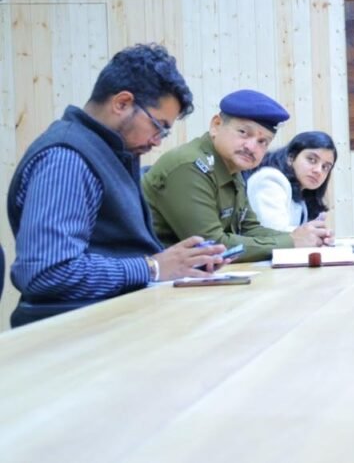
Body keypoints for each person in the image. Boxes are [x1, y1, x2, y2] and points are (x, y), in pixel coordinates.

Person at [7, 44, 226, 313]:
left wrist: (184, 262)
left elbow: (118, 250)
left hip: (116, 316)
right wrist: (153, 267)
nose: (157, 141)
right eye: (158, 127)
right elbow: (48, 271)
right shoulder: (66, 158)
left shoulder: (110, 153)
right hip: (77, 329)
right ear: (122, 103)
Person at [143, 90, 332, 261]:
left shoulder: (232, 170)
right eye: (243, 132)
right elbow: (211, 246)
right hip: (151, 278)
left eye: (262, 141)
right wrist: (291, 242)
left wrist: (304, 237)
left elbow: (249, 229)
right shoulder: (190, 166)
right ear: (216, 125)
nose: (251, 147)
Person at [247, 131, 337, 231]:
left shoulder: (303, 193)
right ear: (291, 158)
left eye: (325, 167)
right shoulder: (270, 179)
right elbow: (272, 232)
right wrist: (310, 234)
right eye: (312, 160)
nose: (318, 170)